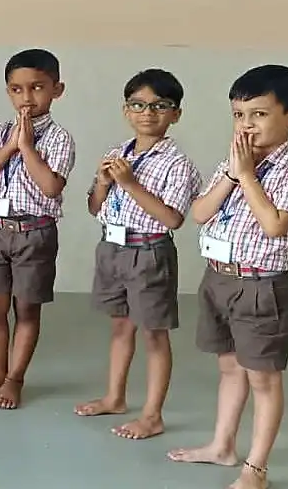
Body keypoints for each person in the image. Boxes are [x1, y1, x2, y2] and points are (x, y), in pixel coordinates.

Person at [168, 65, 288, 489]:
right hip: (219, 277)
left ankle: (256, 469)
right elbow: (199, 213)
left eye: (259, 114)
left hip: (261, 286)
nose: (247, 125)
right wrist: (234, 173)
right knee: (230, 368)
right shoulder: (234, 161)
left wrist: (249, 176)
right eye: (238, 115)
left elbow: (274, 225)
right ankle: (222, 446)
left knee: (264, 379)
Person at [74, 69, 201, 441]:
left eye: (160, 106)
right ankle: (115, 396)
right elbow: (96, 207)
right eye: (138, 105)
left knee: (154, 335)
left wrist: (129, 183)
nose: (148, 113)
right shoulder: (118, 154)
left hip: (149, 251)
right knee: (120, 325)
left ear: (175, 113)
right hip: (112, 247)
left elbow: (172, 218)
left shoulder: (178, 163)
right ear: (126, 110)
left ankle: (152, 414)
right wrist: (102, 181)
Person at [0, 48, 75, 410]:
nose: (26, 98)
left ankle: (15, 379)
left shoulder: (60, 139)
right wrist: (10, 145)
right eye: (16, 89)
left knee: (26, 309)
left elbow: (51, 187)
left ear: (56, 90)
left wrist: (26, 147)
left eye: (37, 88)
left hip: (35, 233)